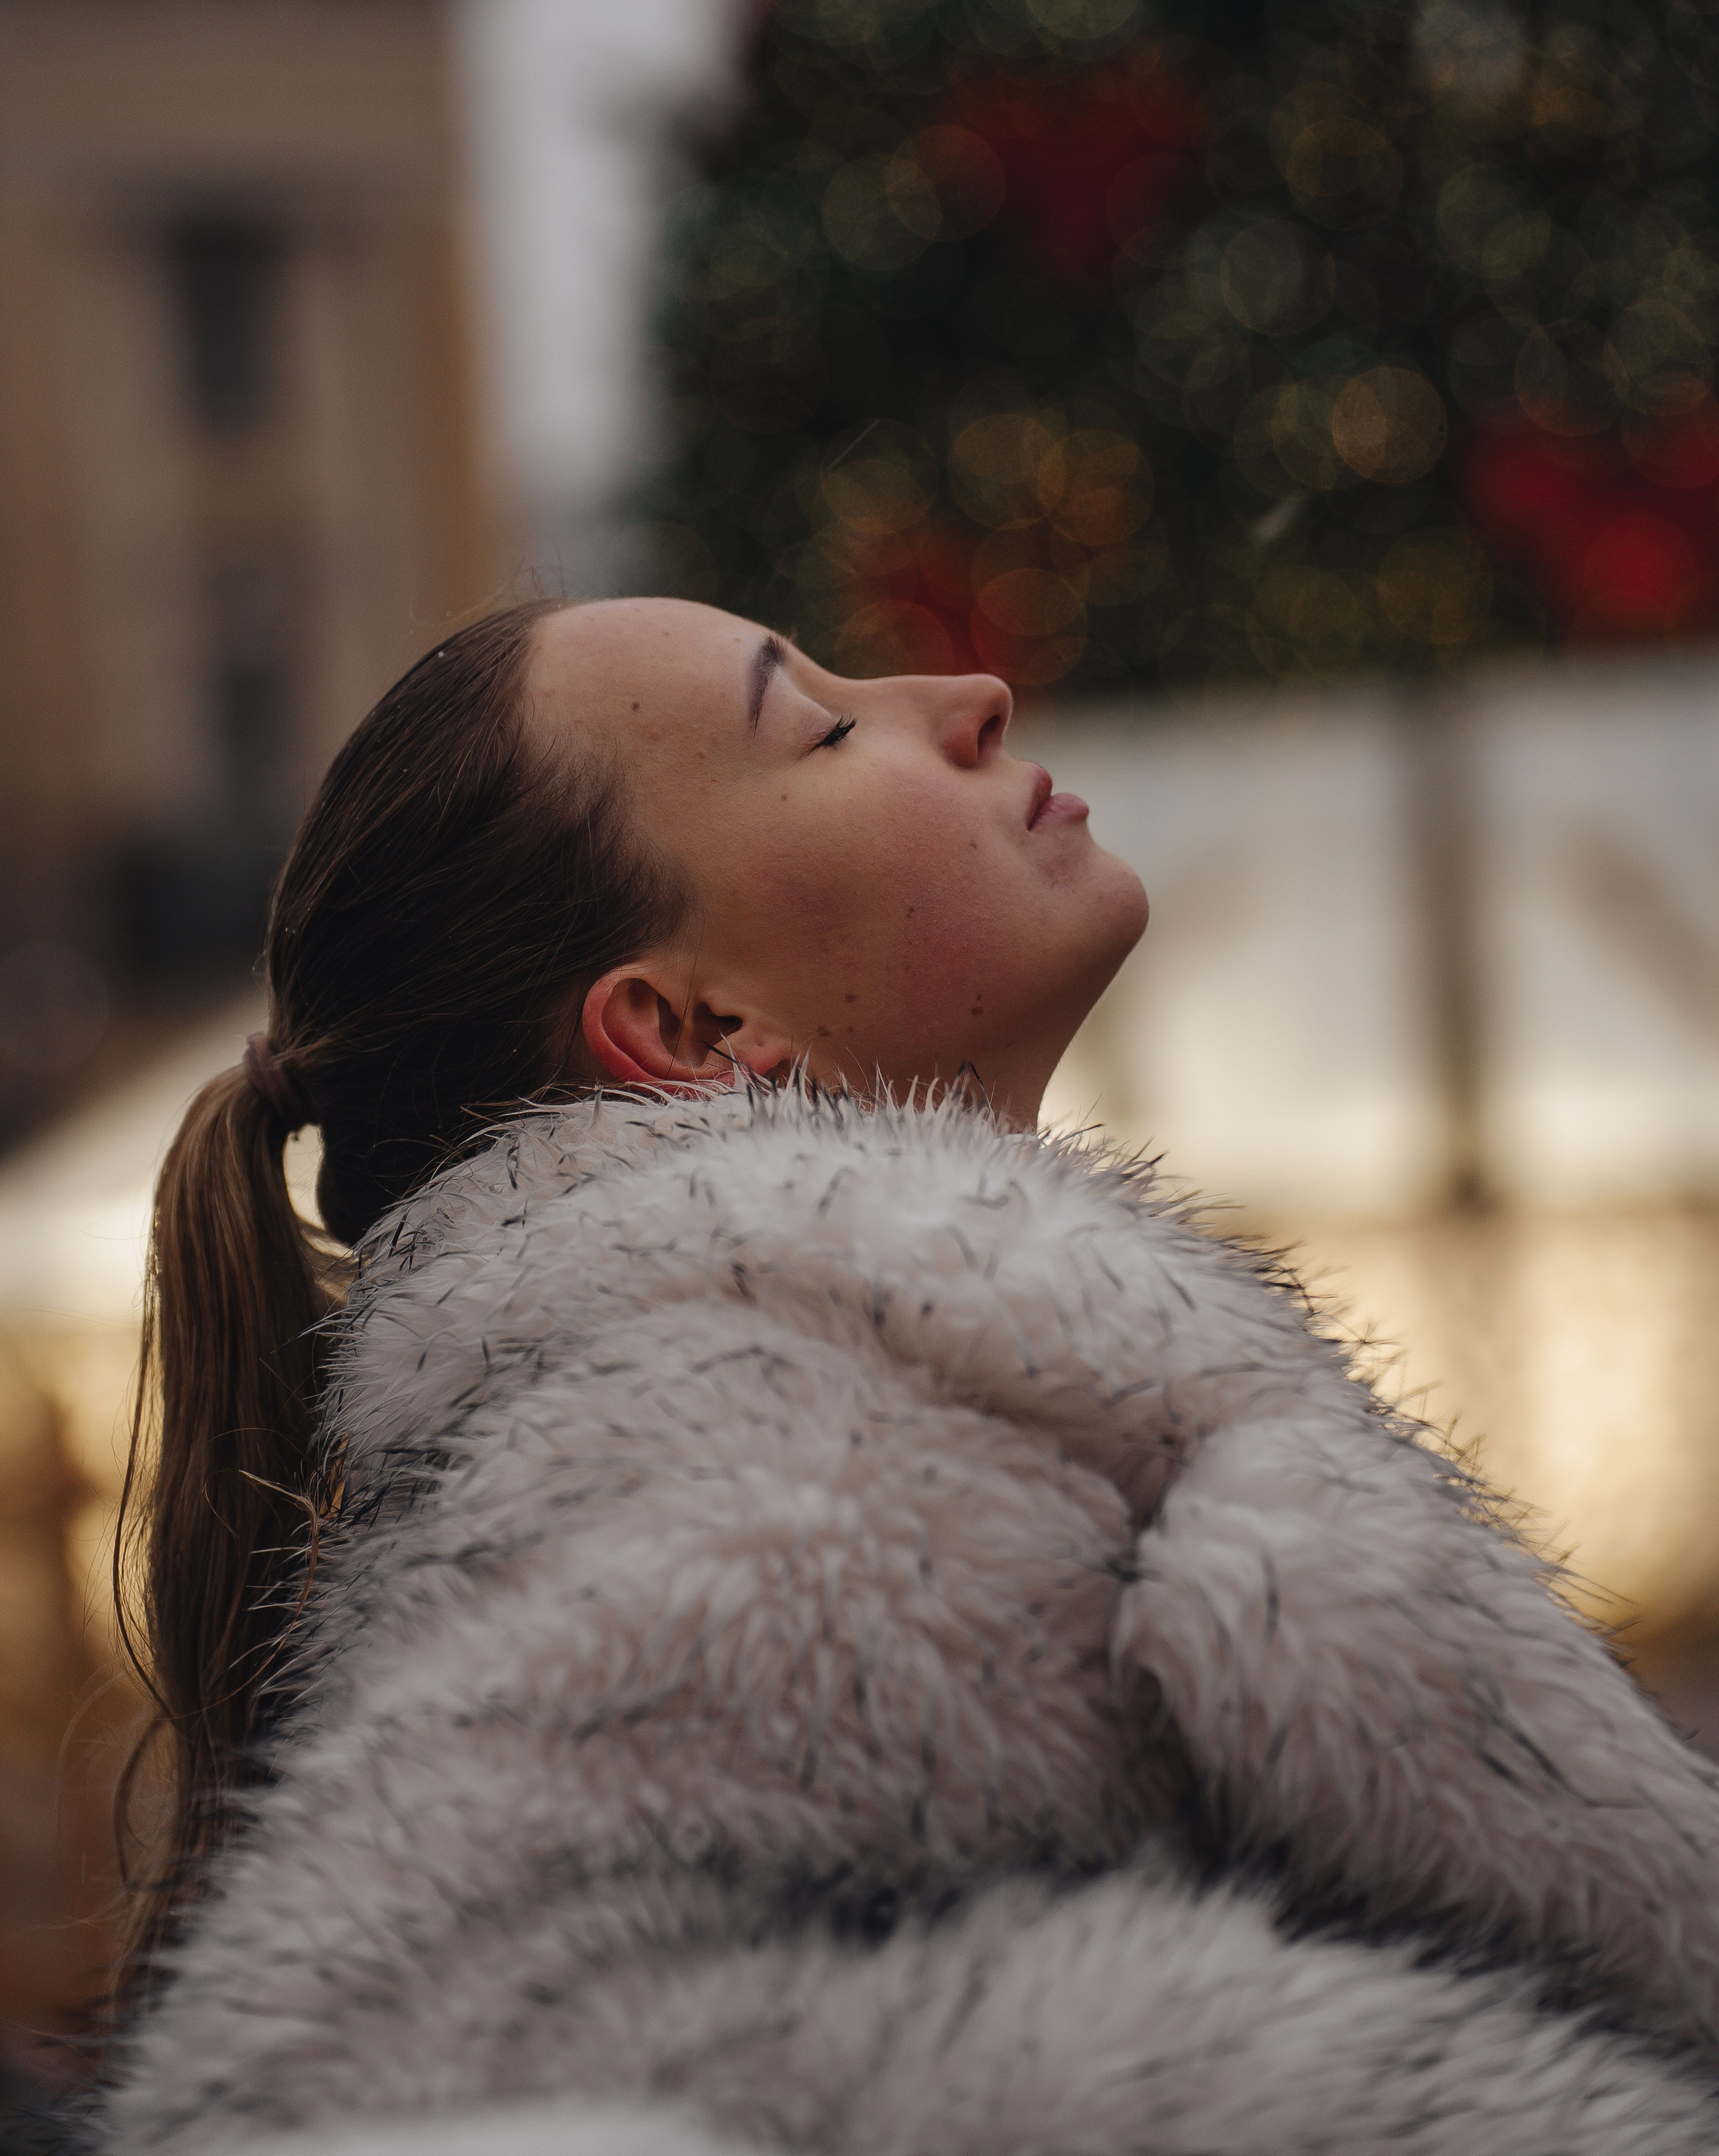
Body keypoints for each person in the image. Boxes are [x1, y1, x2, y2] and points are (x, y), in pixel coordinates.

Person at [104, 596, 1719, 2155]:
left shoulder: (654, 1398)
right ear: (690, 1027)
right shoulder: (788, 1431)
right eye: (814, 723)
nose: (964, 698)